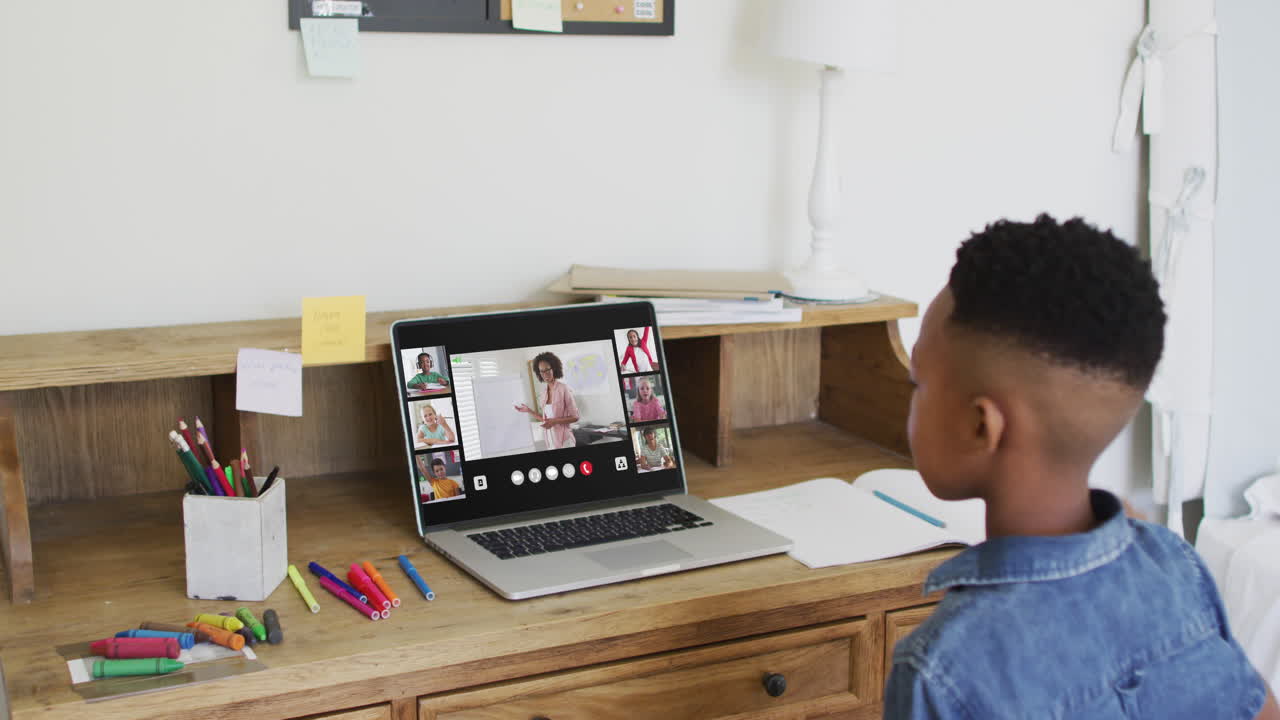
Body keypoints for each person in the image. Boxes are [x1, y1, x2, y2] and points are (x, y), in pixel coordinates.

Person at [884, 214, 1279, 720]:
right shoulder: (1173, 563)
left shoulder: (943, 667)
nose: (911, 398)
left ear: (981, 426)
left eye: (919, 382)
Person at [514, 351, 579, 450]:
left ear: (554, 368)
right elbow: (545, 420)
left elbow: (575, 417)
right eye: (542, 371)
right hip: (550, 440)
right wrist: (528, 410)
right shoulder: (544, 393)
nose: (545, 374)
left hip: (565, 440)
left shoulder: (563, 389)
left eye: (547, 369)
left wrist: (555, 421)